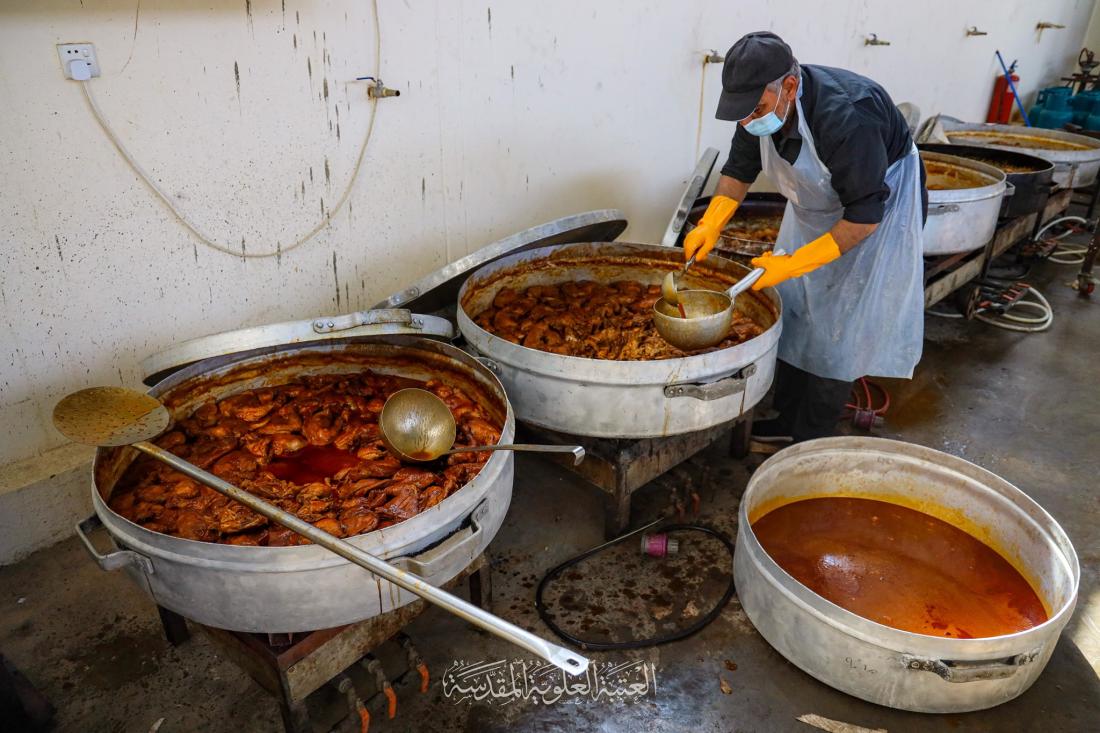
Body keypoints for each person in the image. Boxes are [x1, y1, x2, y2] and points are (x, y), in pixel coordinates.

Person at [685, 31, 927, 444]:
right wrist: (711, 222)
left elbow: (865, 215)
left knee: (840, 328)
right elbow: (739, 170)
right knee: (797, 310)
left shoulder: (850, 115)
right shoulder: (758, 108)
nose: (748, 121)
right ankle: (785, 420)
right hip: (815, 211)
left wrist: (794, 263)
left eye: (755, 109)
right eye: (741, 113)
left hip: (876, 213)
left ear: (790, 87)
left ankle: (809, 440)